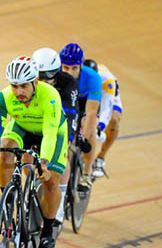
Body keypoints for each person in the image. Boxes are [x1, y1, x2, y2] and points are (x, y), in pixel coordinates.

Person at [0, 56, 68, 248]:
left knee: (51, 181)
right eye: (14, 86)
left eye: (24, 86)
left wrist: (43, 162)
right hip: (22, 128)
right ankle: (8, 199)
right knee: (4, 152)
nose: (19, 92)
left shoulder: (50, 96)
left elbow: (51, 132)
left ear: (35, 82)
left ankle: (48, 232)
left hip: (52, 133)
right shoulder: (4, 97)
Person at [32, 47, 79, 225]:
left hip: (61, 121)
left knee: (62, 152)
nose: (43, 81)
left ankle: (60, 198)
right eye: (39, 77)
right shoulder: (28, 83)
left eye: (48, 77)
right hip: (37, 121)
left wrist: (67, 139)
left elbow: (70, 116)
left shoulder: (67, 83)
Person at [59, 43, 102, 190]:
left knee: (88, 125)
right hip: (67, 101)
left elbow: (91, 113)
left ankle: (86, 173)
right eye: (65, 68)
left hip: (84, 104)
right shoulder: (56, 75)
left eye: (74, 68)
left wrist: (85, 136)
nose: (69, 72)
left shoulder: (93, 78)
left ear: (81, 66)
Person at [83, 59, 123, 178]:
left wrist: (100, 127)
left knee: (114, 119)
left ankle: (101, 157)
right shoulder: (79, 75)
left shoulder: (106, 79)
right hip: (89, 92)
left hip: (107, 92)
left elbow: (107, 107)